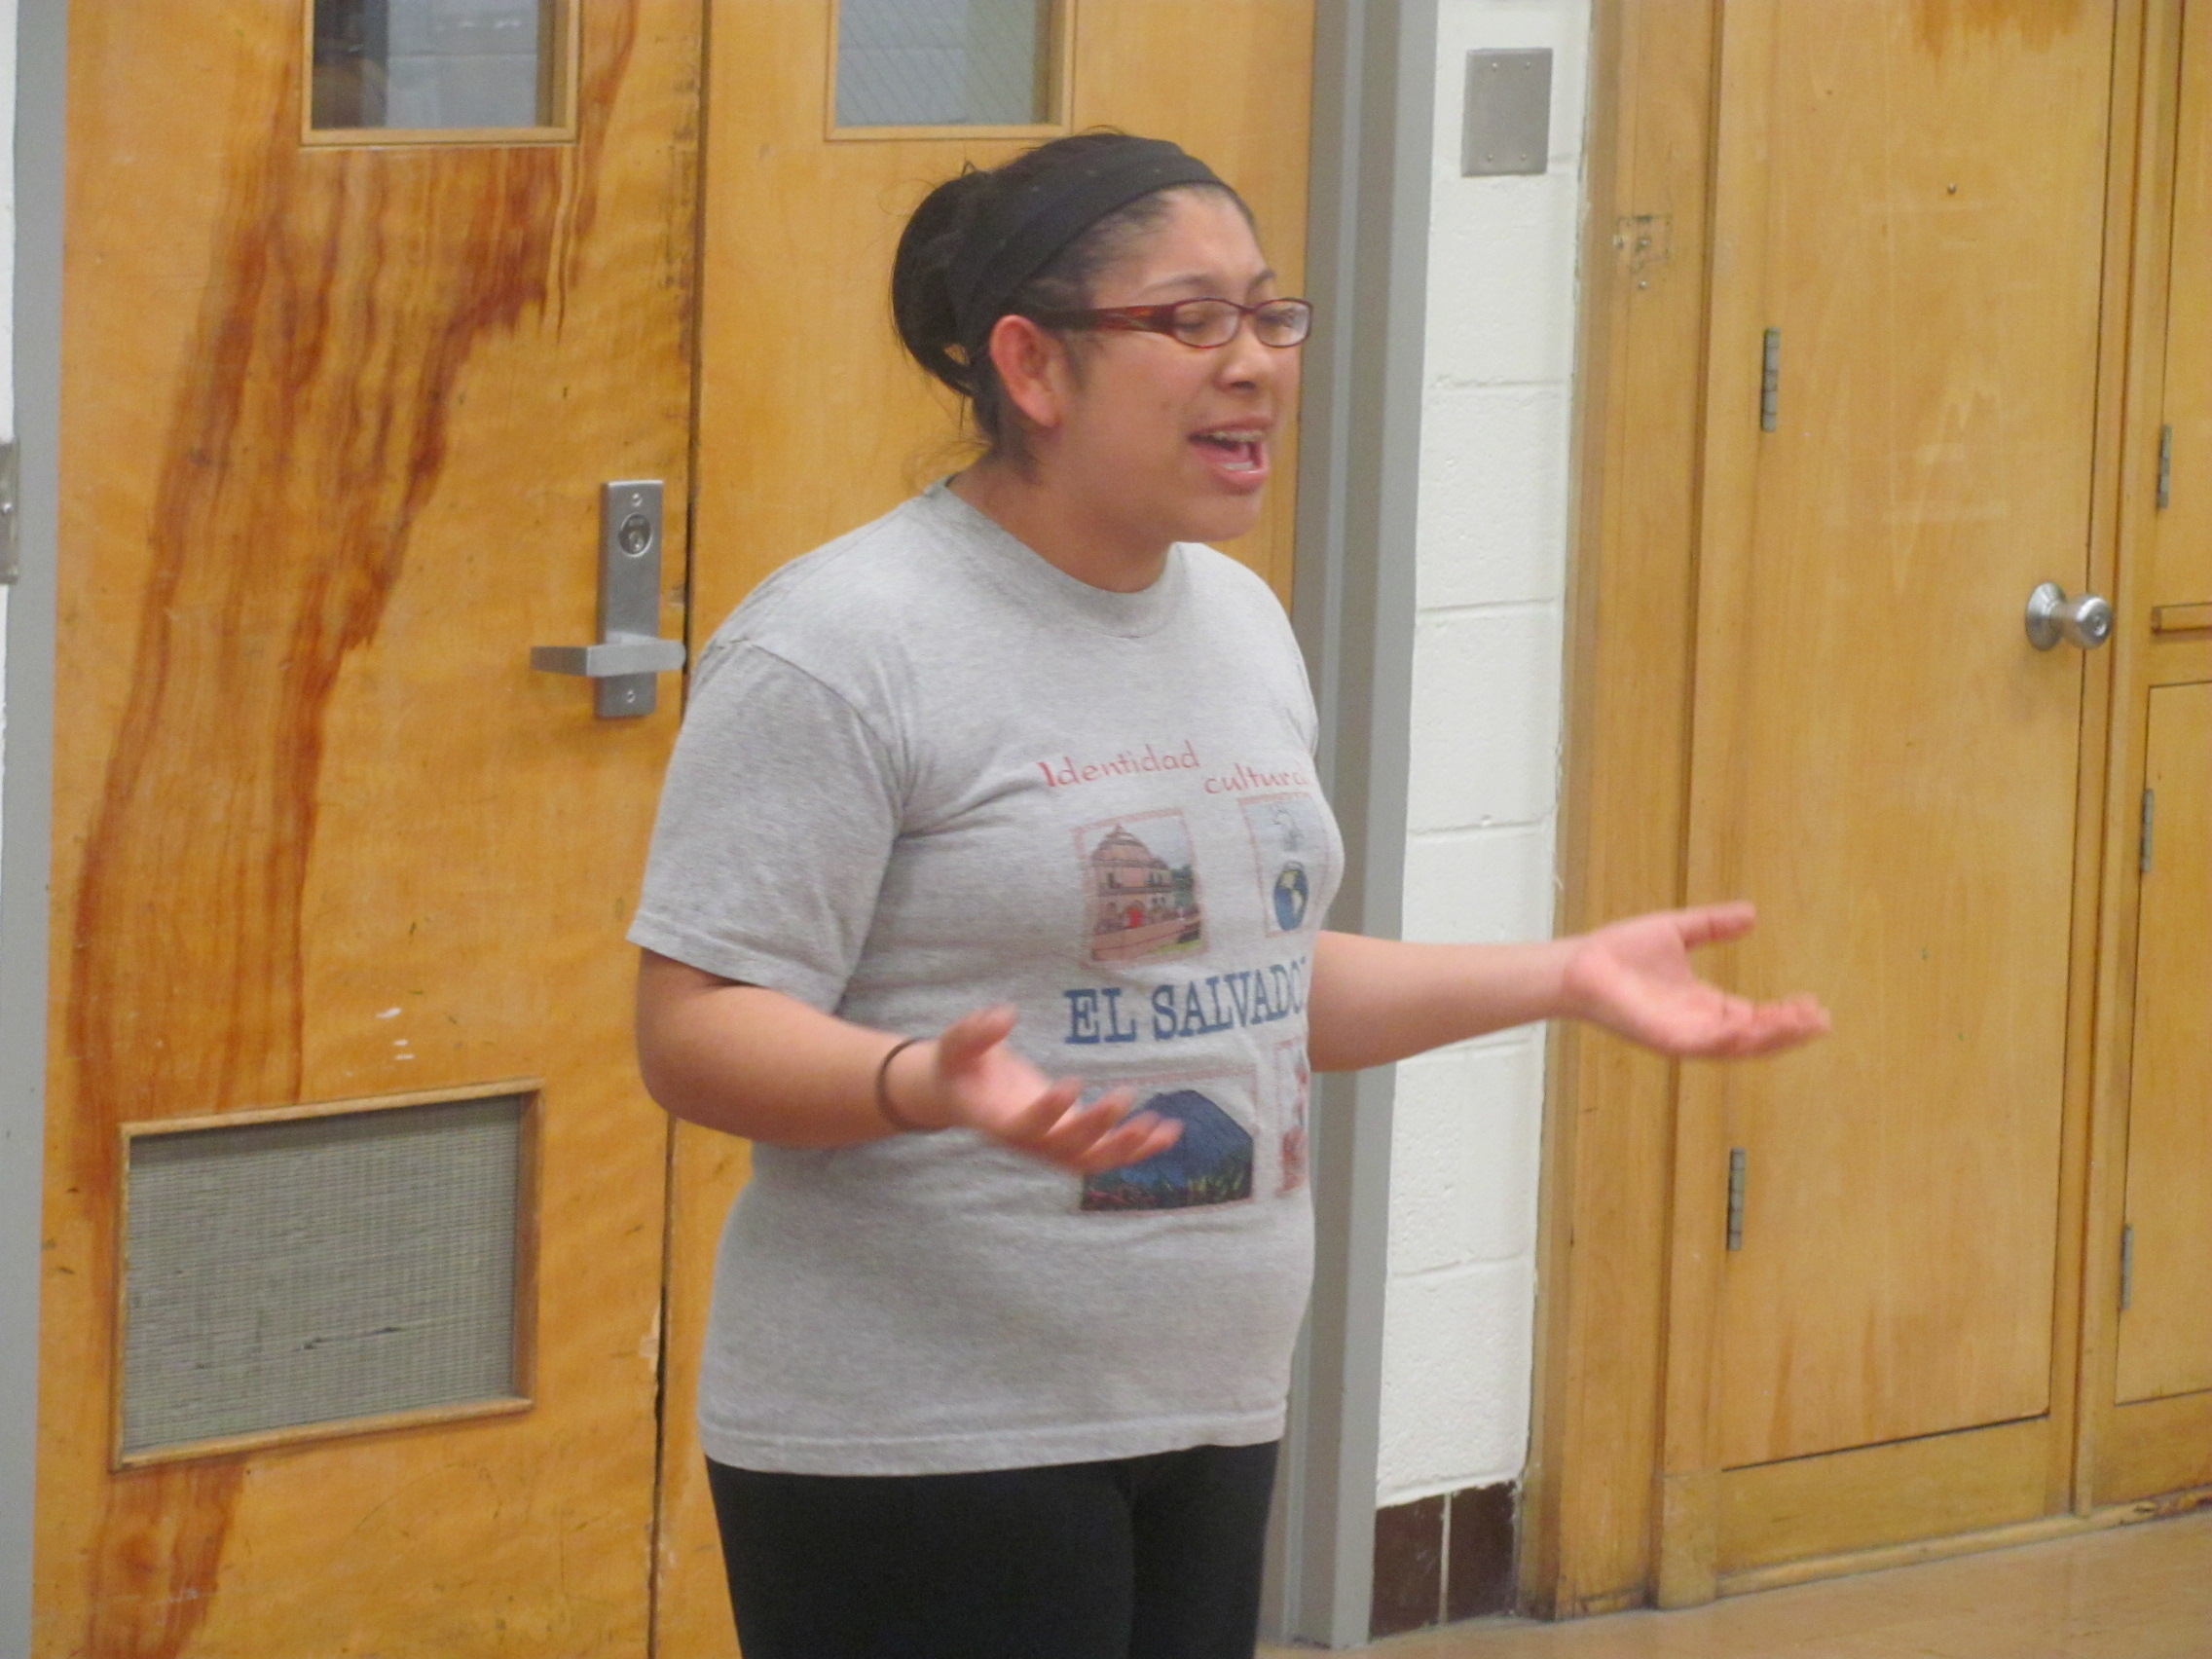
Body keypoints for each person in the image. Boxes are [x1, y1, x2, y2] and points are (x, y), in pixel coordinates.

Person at [630, 132, 1828, 1659]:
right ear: (1032, 365)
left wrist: (1562, 975)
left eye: (1270, 314)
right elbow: (696, 1030)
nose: (1256, 363)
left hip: (1206, 1407)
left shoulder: (1240, 622)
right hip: (923, 1435)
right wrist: (918, 1080)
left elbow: (1253, 977)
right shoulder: (843, 643)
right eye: (1192, 321)